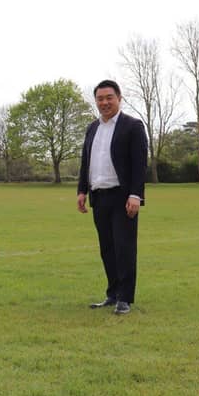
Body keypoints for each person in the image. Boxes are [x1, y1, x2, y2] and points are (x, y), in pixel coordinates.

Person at [77, 80, 147, 315]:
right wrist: (82, 191)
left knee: (124, 247)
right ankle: (112, 293)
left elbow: (139, 165)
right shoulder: (92, 128)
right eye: (100, 98)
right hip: (99, 196)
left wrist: (136, 195)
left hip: (123, 197)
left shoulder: (133, 126)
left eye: (109, 97)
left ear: (119, 98)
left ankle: (125, 298)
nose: (104, 102)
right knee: (107, 248)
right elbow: (86, 162)